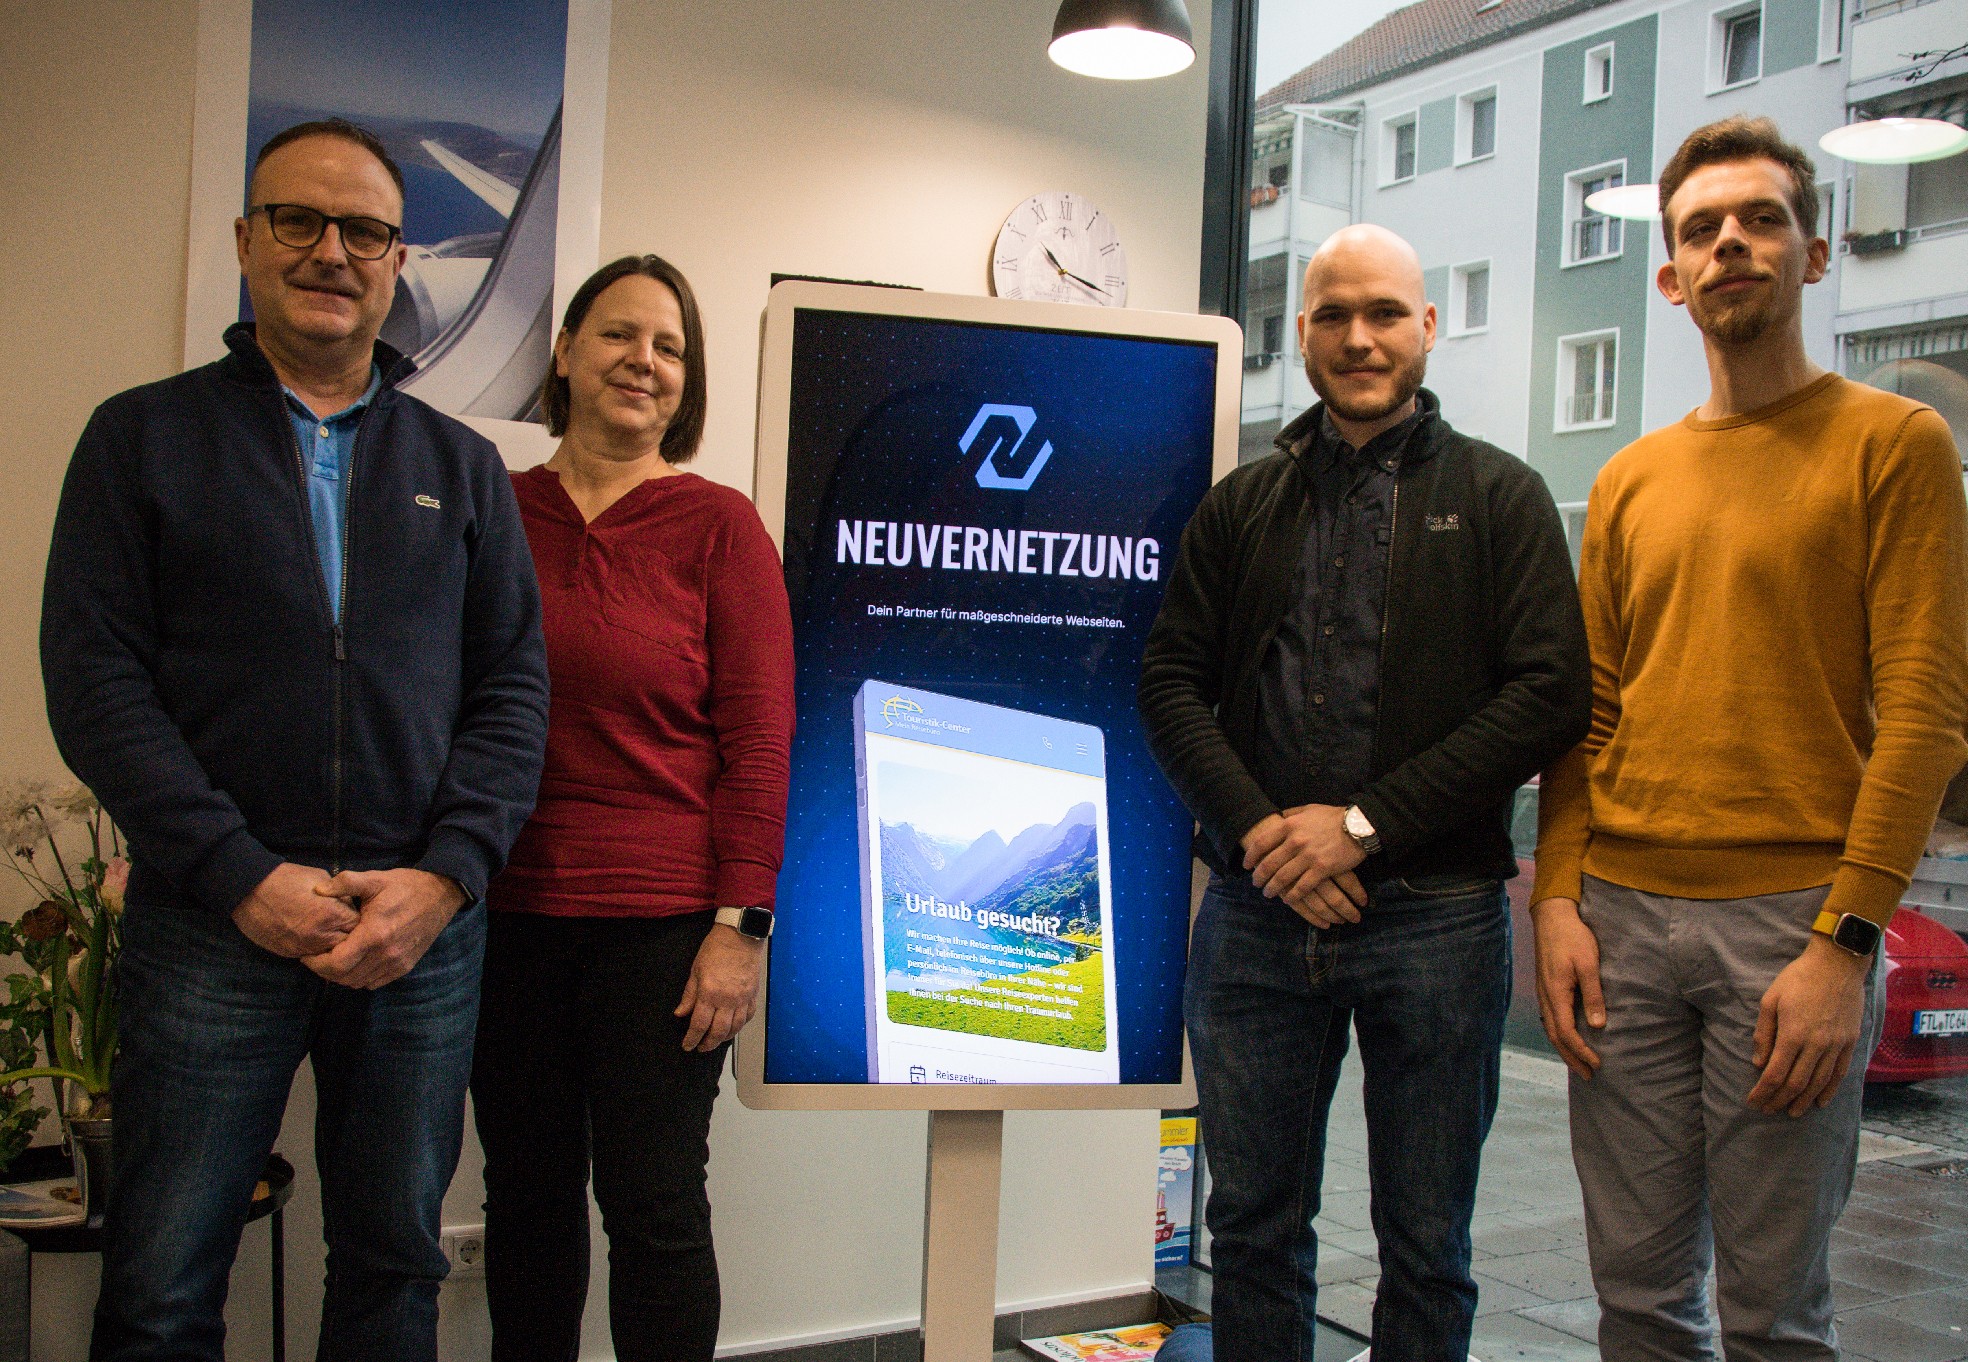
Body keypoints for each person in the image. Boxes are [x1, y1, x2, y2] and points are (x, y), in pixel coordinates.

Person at [40, 119, 550, 1360]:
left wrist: (445, 879)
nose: (332, 251)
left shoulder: (465, 467)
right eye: (298, 222)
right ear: (245, 242)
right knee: (163, 1282)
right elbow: (96, 683)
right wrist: (238, 875)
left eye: (365, 230)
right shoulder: (138, 438)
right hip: (210, 923)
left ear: (396, 259)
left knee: (393, 1269)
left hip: (416, 932)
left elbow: (512, 689)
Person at [1530, 115, 1968, 1361]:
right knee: (1637, 1303)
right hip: (1619, 923)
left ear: (1814, 254)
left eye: (1762, 218)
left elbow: (1928, 716)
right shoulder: (1631, 479)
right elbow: (1588, 716)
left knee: (1776, 1315)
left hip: (1795, 926)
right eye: (1702, 230)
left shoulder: (1895, 445)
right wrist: (1556, 899)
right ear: (1669, 277)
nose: (1733, 243)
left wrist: (1848, 943)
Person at [1139, 223, 1591, 1362]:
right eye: (1333, 315)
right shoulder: (1244, 503)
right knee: (1250, 1232)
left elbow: (1547, 697)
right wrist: (1258, 834)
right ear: (1302, 335)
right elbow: (1169, 680)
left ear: (1427, 327)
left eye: (1385, 312)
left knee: (1428, 1245)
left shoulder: (1503, 498)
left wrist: (1359, 828)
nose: (1359, 336)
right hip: (1254, 919)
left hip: (1436, 922)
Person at [469, 255, 795, 1362]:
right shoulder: (492, 512)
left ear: (686, 379)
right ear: (564, 353)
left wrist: (738, 927)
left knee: (654, 1211)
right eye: (617, 335)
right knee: (525, 1202)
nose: (641, 362)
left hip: (663, 934)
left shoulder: (718, 527)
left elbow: (758, 742)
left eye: (667, 346)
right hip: (502, 916)